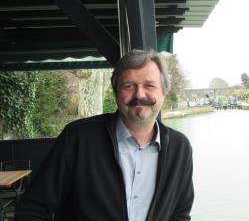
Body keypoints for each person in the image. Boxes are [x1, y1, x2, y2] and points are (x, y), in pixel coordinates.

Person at [15, 49, 194, 221]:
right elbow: (32, 210)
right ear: (116, 93)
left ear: (164, 92)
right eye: (129, 86)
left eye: (149, 85)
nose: (139, 94)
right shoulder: (78, 138)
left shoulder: (180, 148)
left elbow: (180, 214)